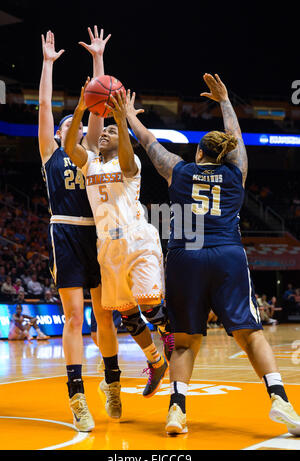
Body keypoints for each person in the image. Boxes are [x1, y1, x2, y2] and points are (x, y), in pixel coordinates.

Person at [123, 75, 300, 436]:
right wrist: (225, 102)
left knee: (185, 341)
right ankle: (279, 398)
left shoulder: (180, 170)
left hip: (186, 256)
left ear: (199, 152)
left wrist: (129, 114)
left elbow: (148, 141)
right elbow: (237, 141)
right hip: (227, 255)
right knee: (251, 335)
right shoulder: (237, 173)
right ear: (226, 154)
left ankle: (176, 410)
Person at [64, 81, 174, 417]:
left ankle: (172, 340)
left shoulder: (131, 164)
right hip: (107, 246)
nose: (106, 133)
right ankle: (155, 361)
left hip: (137, 239)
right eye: (105, 130)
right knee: (126, 313)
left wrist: (122, 121)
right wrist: (82, 107)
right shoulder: (91, 164)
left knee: (149, 303)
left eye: (112, 131)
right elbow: (71, 149)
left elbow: (127, 160)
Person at [38, 26, 115, 431]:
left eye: (81, 128)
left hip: (96, 233)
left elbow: (99, 103)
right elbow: (47, 105)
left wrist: (98, 60)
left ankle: (113, 381)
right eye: (70, 127)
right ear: (57, 134)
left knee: (104, 315)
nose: (78, 130)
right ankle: (77, 397)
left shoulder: (87, 155)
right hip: (65, 232)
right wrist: (48, 64)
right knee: (73, 317)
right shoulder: (50, 151)